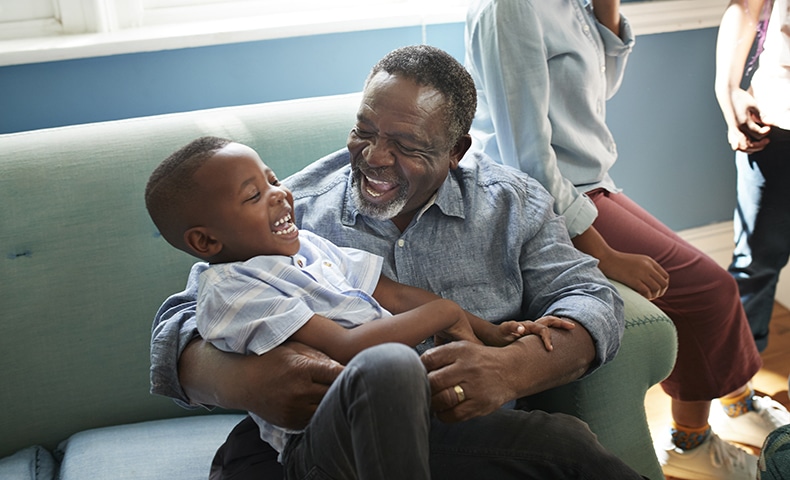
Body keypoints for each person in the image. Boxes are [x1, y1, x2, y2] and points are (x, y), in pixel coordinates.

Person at [150, 45, 646, 479]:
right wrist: (245, 380)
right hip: (313, 441)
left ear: (456, 152)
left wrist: (510, 367)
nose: (375, 157)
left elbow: (591, 296)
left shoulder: (514, 205)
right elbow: (183, 319)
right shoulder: (290, 213)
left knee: (569, 449)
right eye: (364, 131)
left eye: (406, 146)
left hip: (455, 436)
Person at [464, 1, 789, 479]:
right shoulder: (508, 9)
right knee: (712, 292)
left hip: (592, 182)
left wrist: (605, 8)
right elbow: (525, 159)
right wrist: (605, 253)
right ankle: (691, 444)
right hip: (547, 196)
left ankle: (736, 402)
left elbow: (603, 84)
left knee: (710, 287)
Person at [144, 135, 574, 475]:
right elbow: (347, 348)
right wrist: (444, 315)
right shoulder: (233, 289)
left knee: (565, 440)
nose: (280, 193)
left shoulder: (306, 247)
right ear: (205, 241)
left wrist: (491, 331)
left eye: (273, 180)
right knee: (390, 365)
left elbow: (396, 294)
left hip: (408, 417)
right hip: (325, 444)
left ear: (455, 150)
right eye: (254, 196)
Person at [715, 0, 790, 352]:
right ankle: (735, 394)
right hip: (776, 122)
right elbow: (745, 4)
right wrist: (728, 88)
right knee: (753, 266)